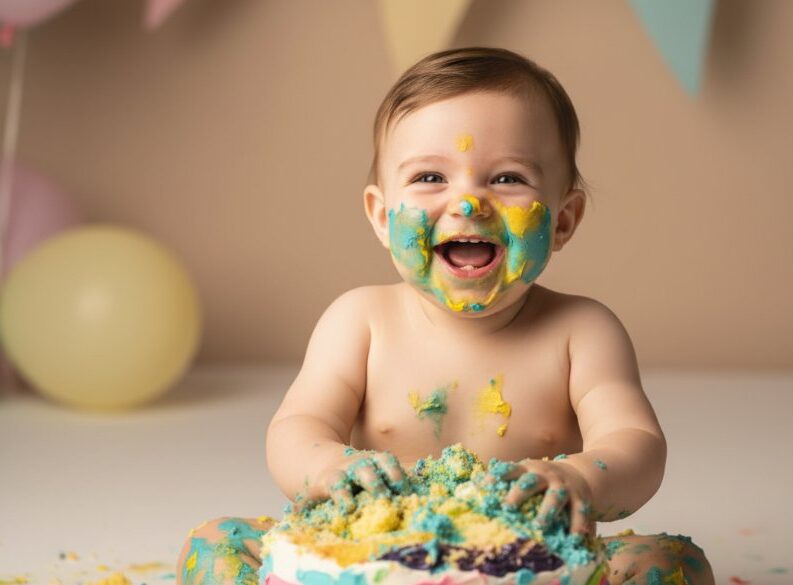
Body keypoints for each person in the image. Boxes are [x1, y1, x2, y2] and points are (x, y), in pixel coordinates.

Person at [177, 47, 715, 585]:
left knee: (672, 563)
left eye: (506, 178)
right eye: (431, 177)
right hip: (371, 561)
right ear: (382, 217)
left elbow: (637, 443)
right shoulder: (360, 322)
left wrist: (579, 479)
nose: (468, 203)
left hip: (533, 564)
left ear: (563, 220)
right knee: (215, 544)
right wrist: (327, 466)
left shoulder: (582, 332)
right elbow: (297, 427)